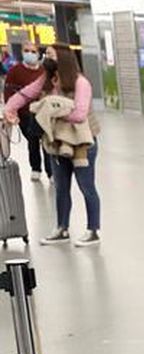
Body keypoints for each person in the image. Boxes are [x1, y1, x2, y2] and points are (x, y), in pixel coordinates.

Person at [5, 44, 101, 246]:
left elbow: (80, 114)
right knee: (61, 187)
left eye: (50, 54)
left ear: (63, 59)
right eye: (45, 54)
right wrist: (9, 109)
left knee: (87, 187)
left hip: (82, 144)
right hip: (56, 143)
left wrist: (49, 110)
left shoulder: (80, 83)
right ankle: (62, 229)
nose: (44, 57)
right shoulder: (46, 80)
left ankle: (93, 231)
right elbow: (25, 95)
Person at [4, 42, 51, 182]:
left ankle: (51, 171)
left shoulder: (43, 71)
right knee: (32, 140)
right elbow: (9, 92)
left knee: (46, 141)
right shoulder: (15, 71)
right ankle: (35, 168)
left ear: (38, 54)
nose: (29, 53)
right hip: (25, 113)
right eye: (26, 50)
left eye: (33, 51)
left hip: (42, 112)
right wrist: (11, 110)